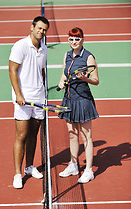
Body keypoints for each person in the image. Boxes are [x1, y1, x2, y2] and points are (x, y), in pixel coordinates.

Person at [9, 16, 50, 189]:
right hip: (23, 99)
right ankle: (17, 174)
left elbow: (42, 71)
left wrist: (43, 91)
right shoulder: (20, 46)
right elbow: (12, 69)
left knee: (34, 134)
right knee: (21, 135)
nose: (41, 32)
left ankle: (30, 166)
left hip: (38, 98)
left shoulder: (45, 49)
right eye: (39, 28)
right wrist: (18, 94)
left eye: (44, 30)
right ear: (32, 27)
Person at [58, 27, 99, 183]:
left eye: (77, 39)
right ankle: (73, 164)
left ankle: (88, 170)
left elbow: (96, 80)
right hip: (69, 98)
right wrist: (62, 81)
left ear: (82, 40)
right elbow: (64, 73)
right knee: (72, 134)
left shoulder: (88, 57)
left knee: (86, 135)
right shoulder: (67, 55)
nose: (73, 42)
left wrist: (84, 78)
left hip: (83, 100)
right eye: (71, 39)